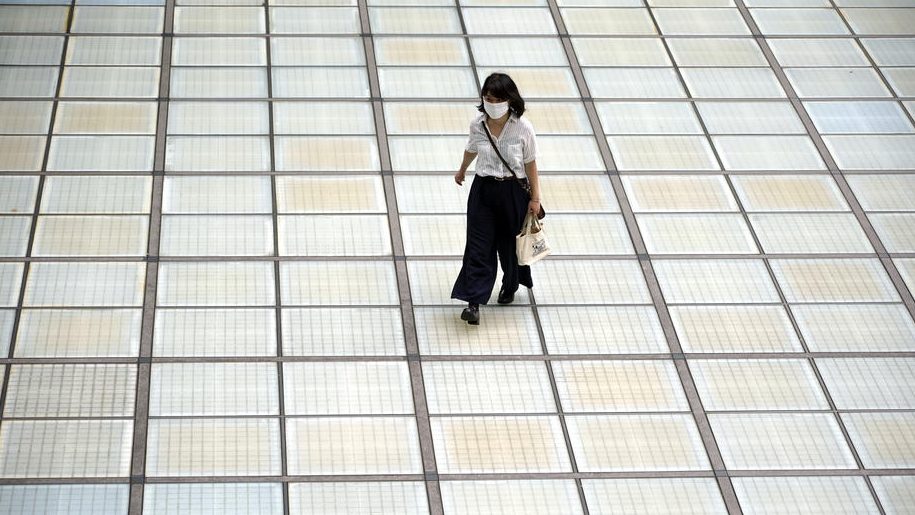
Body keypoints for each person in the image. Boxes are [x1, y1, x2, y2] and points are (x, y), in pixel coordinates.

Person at [451, 73, 541, 325]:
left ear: (509, 99)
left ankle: (510, 284)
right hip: (483, 190)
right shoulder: (477, 125)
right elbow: (471, 149)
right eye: (488, 98)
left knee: (509, 246)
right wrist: (462, 170)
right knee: (478, 246)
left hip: (513, 191)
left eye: (498, 99)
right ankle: (474, 302)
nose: (492, 104)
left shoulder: (523, 128)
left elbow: (530, 163)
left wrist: (535, 198)